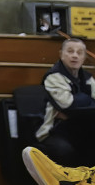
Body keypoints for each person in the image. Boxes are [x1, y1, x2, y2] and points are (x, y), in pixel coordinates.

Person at [31, 37, 95, 168]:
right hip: (53, 131)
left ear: (84, 58)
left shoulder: (88, 78)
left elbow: (71, 109)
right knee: (67, 152)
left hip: (80, 128)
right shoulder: (53, 77)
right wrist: (88, 101)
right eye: (70, 51)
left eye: (79, 53)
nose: (74, 56)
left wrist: (78, 104)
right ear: (61, 54)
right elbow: (68, 105)